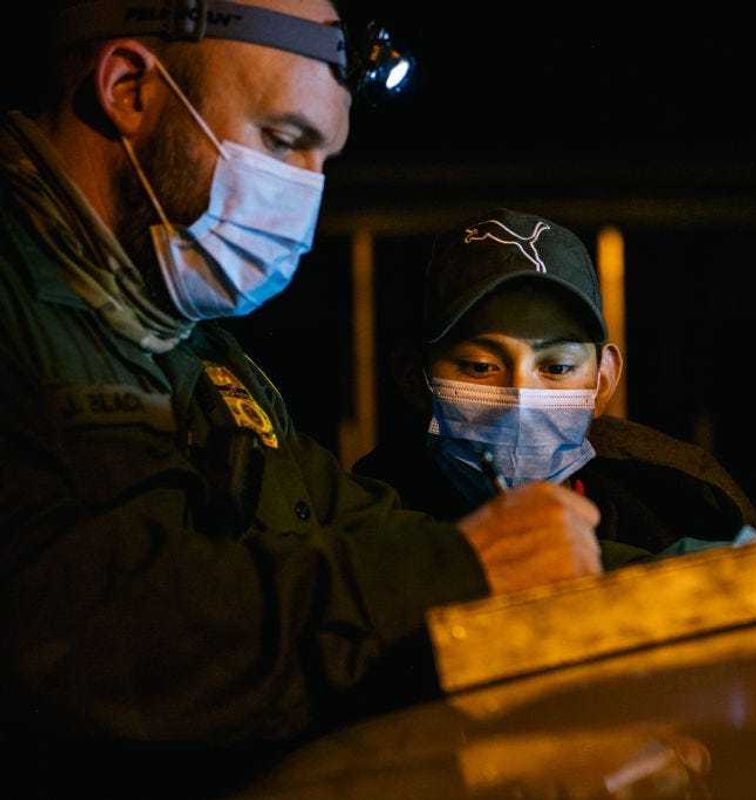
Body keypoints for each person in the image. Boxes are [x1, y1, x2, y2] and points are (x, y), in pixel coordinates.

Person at [0, 2, 602, 791]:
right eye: (283, 142)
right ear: (129, 90)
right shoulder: (22, 312)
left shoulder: (195, 348)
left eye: (324, 159)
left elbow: (338, 518)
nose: (305, 208)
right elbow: (71, 636)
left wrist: (693, 575)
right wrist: (451, 575)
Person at [356, 208, 756, 572]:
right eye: (480, 366)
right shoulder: (367, 517)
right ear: (415, 377)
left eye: (557, 368)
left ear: (604, 380)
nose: (522, 396)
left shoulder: (678, 493)